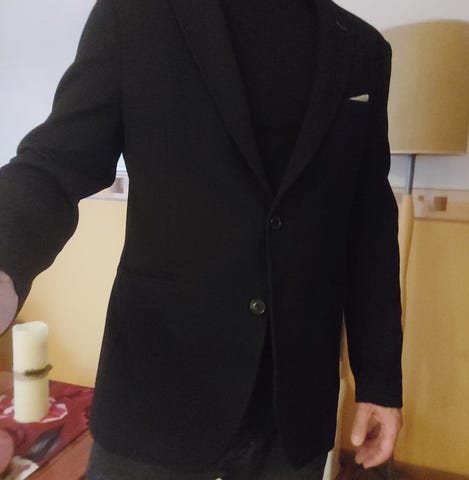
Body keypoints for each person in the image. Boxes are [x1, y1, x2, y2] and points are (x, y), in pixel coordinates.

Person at [0, 0, 403, 478]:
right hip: (156, 394)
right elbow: (54, 164)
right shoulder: (135, 15)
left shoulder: (362, 49)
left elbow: (370, 227)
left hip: (293, 412)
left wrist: (379, 379)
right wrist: (6, 257)